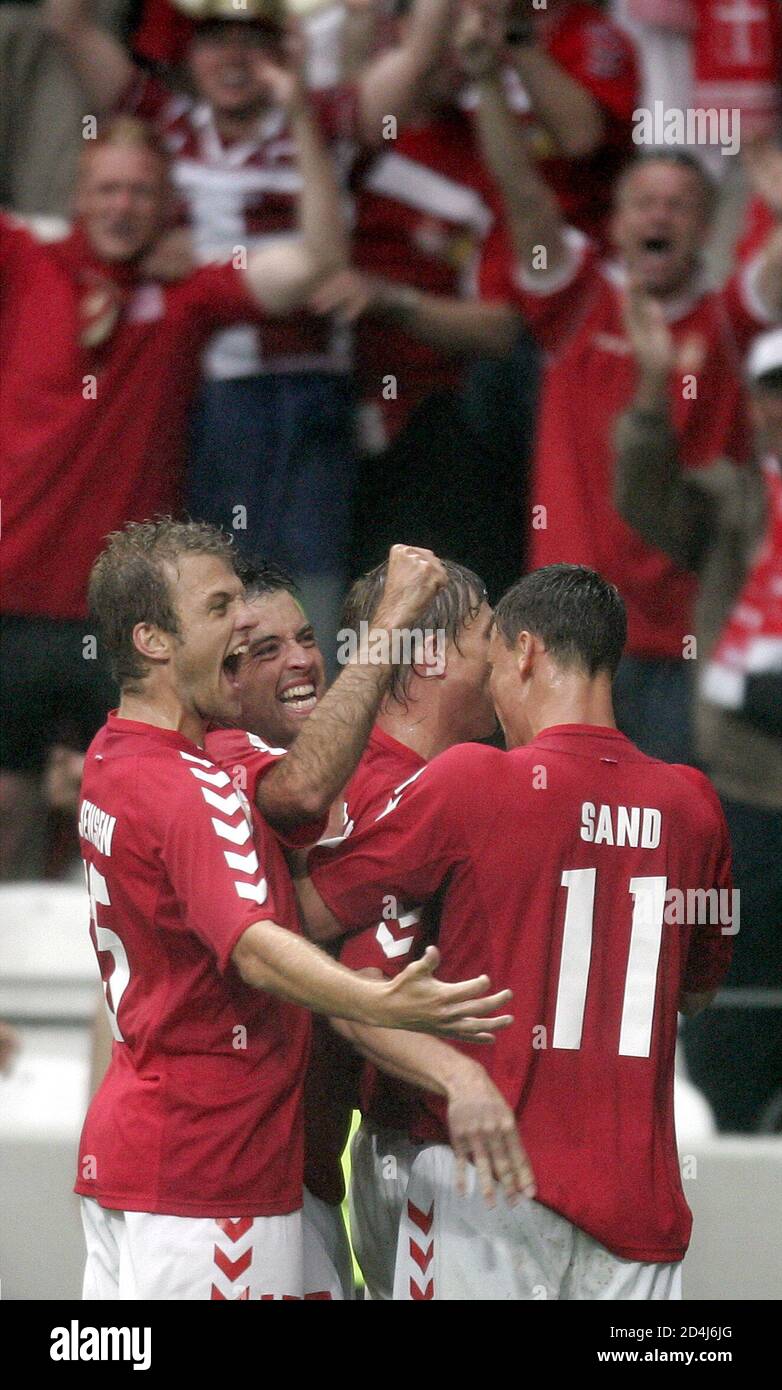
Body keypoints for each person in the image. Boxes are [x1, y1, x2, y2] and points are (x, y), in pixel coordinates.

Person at [77, 517, 512, 1300]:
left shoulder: (118, 757)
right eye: (225, 618)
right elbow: (255, 938)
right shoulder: (201, 778)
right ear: (153, 640)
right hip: (216, 1176)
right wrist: (379, 998)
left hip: (182, 1166)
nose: (247, 635)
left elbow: (276, 904)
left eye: (298, 637)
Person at [297, 564, 734, 1300]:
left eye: (495, 661)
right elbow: (694, 992)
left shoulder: (475, 782)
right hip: (639, 1212)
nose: (495, 690)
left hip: (484, 1189)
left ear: (525, 654)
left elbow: (307, 920)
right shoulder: (694, 806)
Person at [0, 47, 346, 880]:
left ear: (168, 206)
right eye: (108, 189)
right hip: (7, 597)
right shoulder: (25, 264)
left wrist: (302, 115)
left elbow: (318, 262)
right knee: (7, 809)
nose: (122, 206)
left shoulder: (189, 290)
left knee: (120, 818)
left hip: (119, 615)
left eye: (141, 191)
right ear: (78, 194)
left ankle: (113, 1003)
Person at [46, 0, 463, 662]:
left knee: (306, 591)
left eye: (253, 41)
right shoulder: (162, 122)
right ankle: (214, 749)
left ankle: (307, 741)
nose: (233, 60)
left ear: (288, 47)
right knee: (211, 590)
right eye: (214, 41)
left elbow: (416, 56)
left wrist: (298, 106)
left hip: (307, 388)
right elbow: (67, 23)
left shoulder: (325, 119)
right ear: (187, 52)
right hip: (200, 394)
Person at [205, 556, 531, 1298]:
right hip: (277, 1193)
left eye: (305, 638)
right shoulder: (375, 795)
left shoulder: (377, 784)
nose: (510, 652)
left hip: (313, 1181)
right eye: (491, 633)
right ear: (430, 658)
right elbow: (359, 992)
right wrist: (461, 1076)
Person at [463, 3, 782, 763]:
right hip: (565, 635)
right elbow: (524, 197)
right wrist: (484, 83)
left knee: (663, 845)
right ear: (614, 225)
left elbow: (772, 273)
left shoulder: (729, 319)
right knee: (560, 842)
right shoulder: (579, 304)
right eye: (644, 202)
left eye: (679, 204)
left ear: (705, 228)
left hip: (679, 638)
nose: (659, 215)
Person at [615, 309, 782, 1133]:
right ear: (754, 407)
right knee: (737, 977)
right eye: (773, 394)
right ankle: (731, 1131)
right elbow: (646, 501)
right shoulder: (732, 494)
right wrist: (652, 393)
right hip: (750, 777)